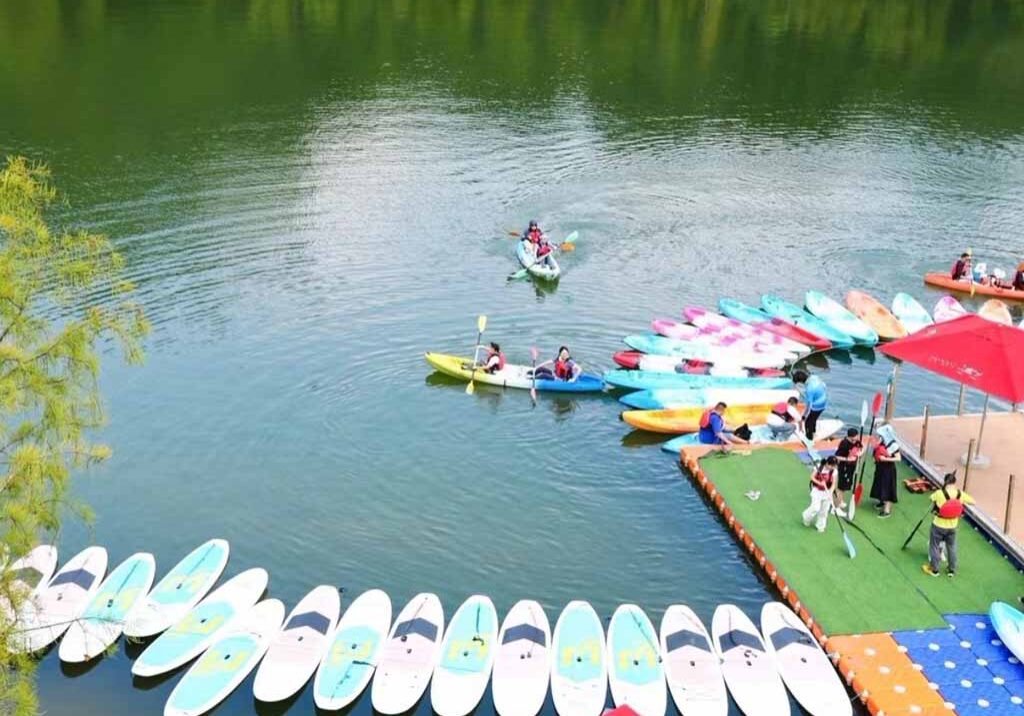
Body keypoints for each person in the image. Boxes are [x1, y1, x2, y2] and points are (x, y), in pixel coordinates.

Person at [923, 472, 975, 578]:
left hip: (938, 524)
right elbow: (973, 502)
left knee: (934, 546)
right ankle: (951, 569)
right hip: (952, 526)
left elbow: (931, 498)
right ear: (954, 482)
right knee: (951, 546)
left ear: (945, 481)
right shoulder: (960, 494)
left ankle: (934, 569)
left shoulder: (939, 493)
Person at [802, 456, 839, 533]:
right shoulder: (819, 467)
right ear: (828, 463)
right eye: (832, 465)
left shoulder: (834, 471)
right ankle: (806, 518)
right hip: (817, 491)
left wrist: (830, 492)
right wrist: (820, 483)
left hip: (827, 492)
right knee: (815, 508)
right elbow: (812, 477)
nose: (833, 467)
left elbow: (834, 484)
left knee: (824, 511)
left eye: (834, 466)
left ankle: (820, 526)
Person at [791, 370, 827, 440]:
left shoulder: (809, 389)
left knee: (808, 422)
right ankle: (814, 432)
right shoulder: (814, 377)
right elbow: (824, 385)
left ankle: (809, 439)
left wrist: (804, 416)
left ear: (800, 381)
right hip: (824, 400)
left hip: (817, 406)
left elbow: (809, 406)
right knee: (813, 419)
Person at [869, 437, 900, 518]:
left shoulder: (892, 444)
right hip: (880, 468)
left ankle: (887, 510)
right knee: (879, 485)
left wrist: (885, 459)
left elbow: (898, 458)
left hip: (888, 469)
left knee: (888, 488)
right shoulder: (880, 441)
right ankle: (882, 501)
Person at [834, 428, 862, 511]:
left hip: (852, 467)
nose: (854, 440)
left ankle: (840, 501)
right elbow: (837, 456)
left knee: (846, 486)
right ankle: (837, 506)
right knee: (841, 487)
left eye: (855, 438)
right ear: (848, 437)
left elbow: (861, 448)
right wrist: (848, 459)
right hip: (844, 467)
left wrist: (859, 453)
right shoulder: (844, 444)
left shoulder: (857, 441)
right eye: (852, 439)